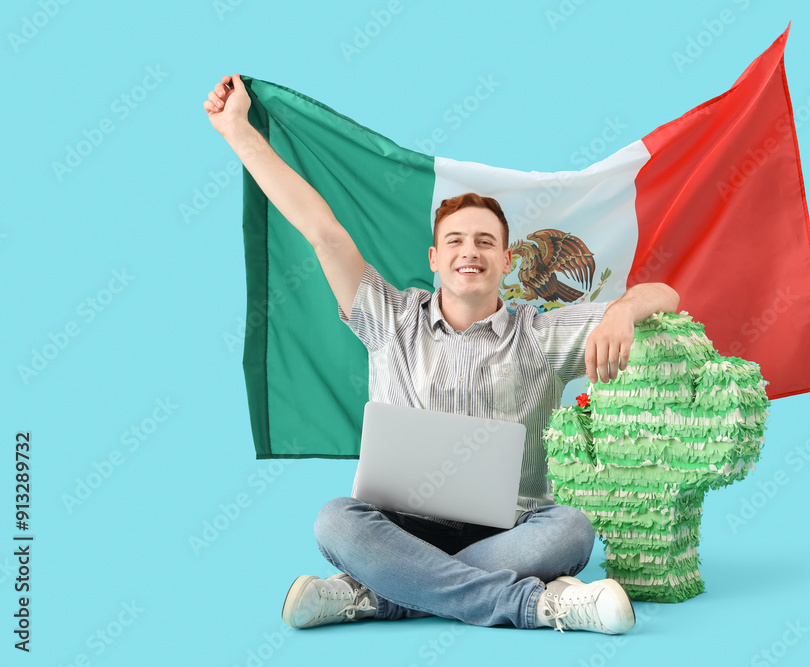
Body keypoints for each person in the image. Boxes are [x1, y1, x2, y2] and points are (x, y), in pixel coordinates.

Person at [204, 73, 680, 634]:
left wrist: (621, 311)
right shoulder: (390, 318)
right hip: (400, 527)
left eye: (485, 242)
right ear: (434, 257)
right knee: (335, 520)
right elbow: (321, 230)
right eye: (455, 240)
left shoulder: (541, 334)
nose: (469, 252)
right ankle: (541, 605)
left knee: (573, 529)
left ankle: (379, 595)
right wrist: (237, 131)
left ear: (506, 261)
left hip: (514, 530)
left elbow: (666, 294)